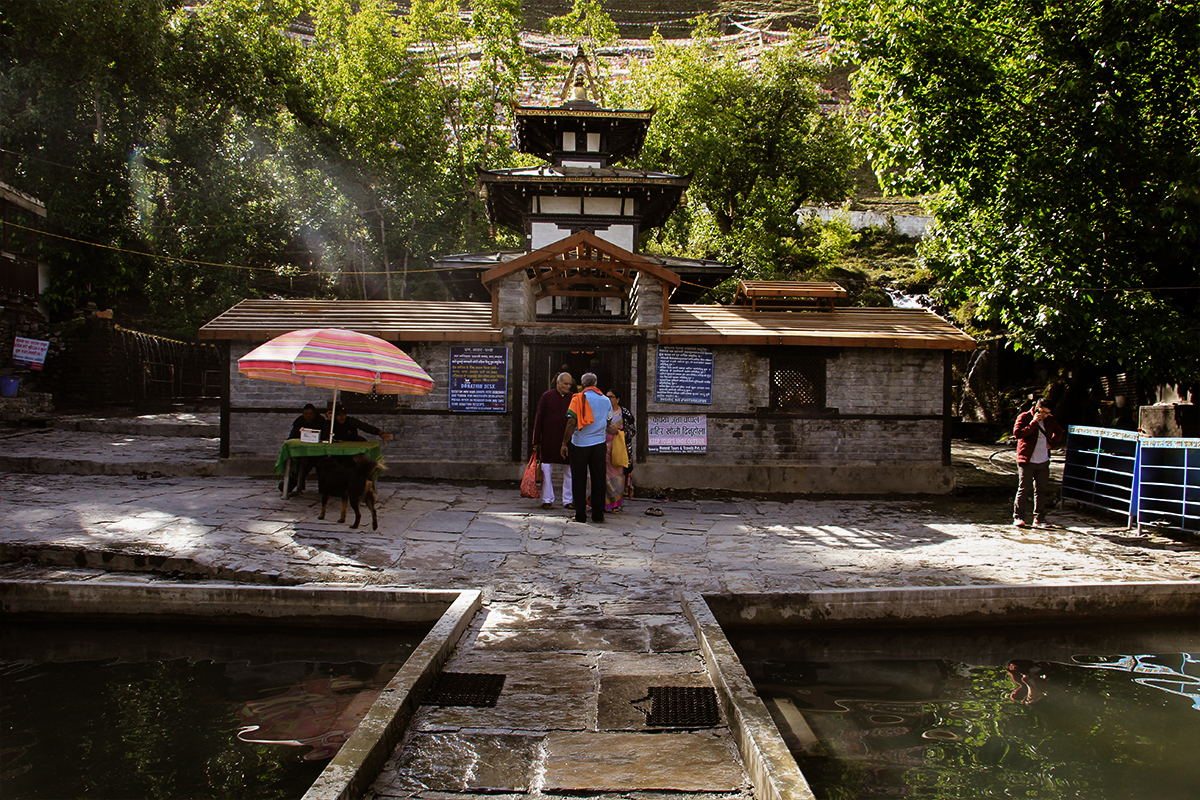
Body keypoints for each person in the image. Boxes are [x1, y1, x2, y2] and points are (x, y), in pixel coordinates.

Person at [560, 372, 614, 524]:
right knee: (598, 479)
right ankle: (598, 514)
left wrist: (564, 443)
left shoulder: (577, 398)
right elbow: (609, 421)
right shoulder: (605, 400)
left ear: (582, 385)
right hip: (599, 444)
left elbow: (571, 422)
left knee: (579, 479)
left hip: (580, 444)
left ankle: (580, 514)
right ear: (595, 384)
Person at [1012, 397, 1066, 527]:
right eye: (1042, 412)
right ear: (1036, 408)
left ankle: (1039, 518)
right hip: (1027, 459)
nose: (1044, 415)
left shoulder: (1050, 420)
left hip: (1043, 460)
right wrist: (1034, 422)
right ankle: (1018, 517)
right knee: (1024, 488)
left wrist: (1052, 444)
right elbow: (1018, 433)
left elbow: (1060, 432)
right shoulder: (1024, 417)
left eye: (1047, 413)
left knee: (1040, 490)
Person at [532, 372, 574, 511]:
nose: (568, 386)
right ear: (558, 382)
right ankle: (547, 499)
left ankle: (568, 500)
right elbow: (539, 418)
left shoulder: (573, 397)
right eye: (565, 383)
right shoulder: (547, 396)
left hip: (567, 439)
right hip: (549, 438)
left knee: (569, 470)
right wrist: (536, 440)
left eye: (569, 384)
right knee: (546, 469)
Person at [283, 403, 329, 495]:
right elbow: (292, 437)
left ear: (314, 414)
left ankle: (323, 489)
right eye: (306, 414)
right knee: (297, 463)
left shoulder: (321, 421)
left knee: (318, 463)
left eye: (310, 413)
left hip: (318, 452)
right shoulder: (299, 422)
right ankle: (290, 485)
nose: (308, 416)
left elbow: (325, 436)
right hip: (302, 451)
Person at [604, 389, 635, 512]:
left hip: (618, 451)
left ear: (617, 399)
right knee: (601, 477)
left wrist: (618, 432)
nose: (609, 399)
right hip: (602, 449)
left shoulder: (624, 413)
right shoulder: (602, 411)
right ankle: (601, 503)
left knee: (616, 478)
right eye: (607, 397)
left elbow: (632, 431)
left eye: (611, 397)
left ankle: (615, 505)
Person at [327, 406, 392, 443]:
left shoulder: (351, 421)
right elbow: (324, 436)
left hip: (354, 445)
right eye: (339, 415)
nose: (342, 417)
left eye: (343, 414)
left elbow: (365, 427)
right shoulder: (332, 423)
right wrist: (328, 420)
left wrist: (379, 432)